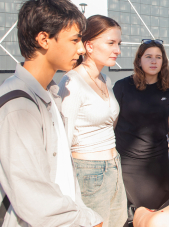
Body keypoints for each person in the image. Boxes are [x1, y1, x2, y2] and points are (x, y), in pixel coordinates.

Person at [0, 0, 103, 226]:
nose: (81, 49)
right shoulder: (18, 107)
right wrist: (88, 221)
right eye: (74, 40)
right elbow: (34, 198)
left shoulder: (49, 96)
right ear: (44, 39)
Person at [58, 15, 128, 227]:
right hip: (87, 171)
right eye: (111, 43)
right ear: (88, 45)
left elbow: (110, 122)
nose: (118, 50)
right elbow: (63, 140)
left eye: (119, 44)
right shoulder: (72, 82)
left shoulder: (106, 79)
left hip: (114, 164)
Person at [113, 39, 169, 225]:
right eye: (148, 57)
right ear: (139, 60)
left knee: (158, 216)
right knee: (130, 218)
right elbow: (111, 125)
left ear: (163, 62)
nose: (153, 61)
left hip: (157, 166)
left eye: (158, 57)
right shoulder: (122, 87)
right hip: (127, 165)